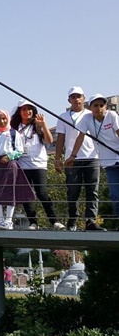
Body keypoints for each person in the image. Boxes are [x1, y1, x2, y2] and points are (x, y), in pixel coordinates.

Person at [10, 99, 65, 230]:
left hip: (39, 164)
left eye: (29, 109)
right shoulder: (15, 128)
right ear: (19, 112)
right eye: (23, 109)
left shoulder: (37, 125)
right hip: (23, 164)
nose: (27, 112)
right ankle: (33, 222)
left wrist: (44, 124)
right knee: (26, 193)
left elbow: (49, 140)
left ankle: (54, 221)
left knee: (42, 192)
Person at [54, 87, 102, 231]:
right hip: (71, 159)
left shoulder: (91, 114)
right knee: (73, 191)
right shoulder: (63, 116)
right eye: (73, 97)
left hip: (92, 157)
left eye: (79, 96)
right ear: (69, 100)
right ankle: (73, 219)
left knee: (92, 190)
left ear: (84, 98)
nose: (76, 99)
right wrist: (57, 158)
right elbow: (60, 139)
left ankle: (90, 221)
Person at [70, 93, 119, 230]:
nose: (99, 108)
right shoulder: (86, 118)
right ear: (90, 108)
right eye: (95, 106)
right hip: (109, 163)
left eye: (101, 105)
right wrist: (73, 155)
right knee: (115, 195)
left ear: (106, 107)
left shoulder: (112, 116)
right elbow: (80, 137)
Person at [0, 109, 36, 230]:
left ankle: (8, 221)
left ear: (8, 119)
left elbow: (19, 150)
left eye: (4, 118)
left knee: (10, 192)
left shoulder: (13, 133)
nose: (1, 121)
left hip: (9, 164)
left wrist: (9, 156)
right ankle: (0, 220)